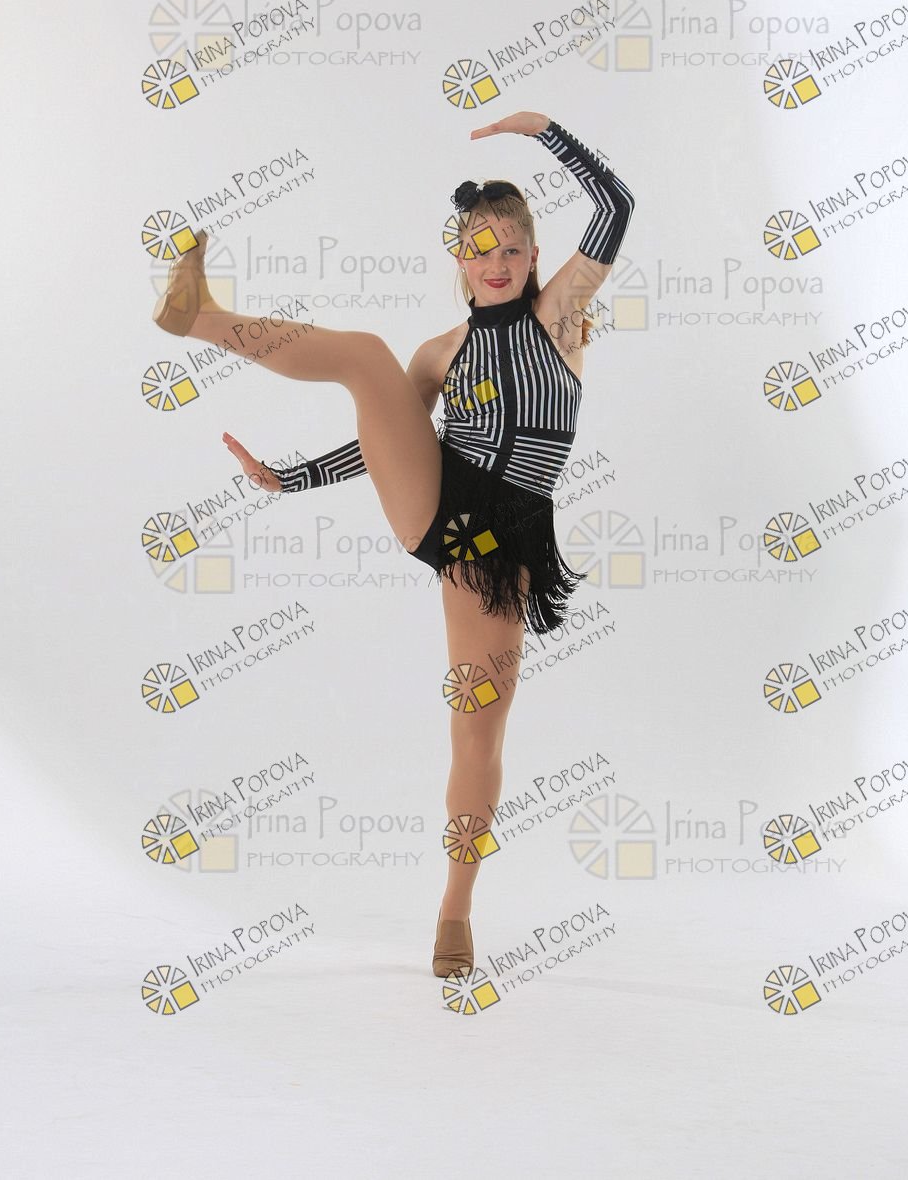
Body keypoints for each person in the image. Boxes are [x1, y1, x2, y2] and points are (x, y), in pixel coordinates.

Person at [152, 109, 635, 979]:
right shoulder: (441, 351)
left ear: (534, 256)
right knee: (369, 359)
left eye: (511, 247)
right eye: (479, 247)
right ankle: (201, 319)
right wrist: (294, 479)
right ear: (460, 259)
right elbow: (390, 438)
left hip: (500, 541)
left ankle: (455, 909)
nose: (496, 261)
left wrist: (546, 132)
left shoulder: (560, 317)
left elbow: (616, 205)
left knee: (477, 733)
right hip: (439, 504)